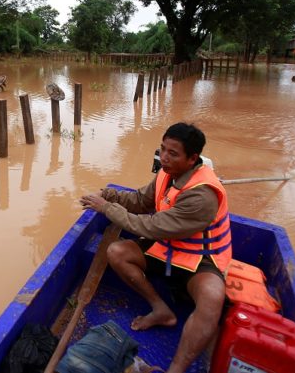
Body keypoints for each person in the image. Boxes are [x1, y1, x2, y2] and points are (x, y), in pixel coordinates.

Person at [79, 122, 231, 373]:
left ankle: (176, 368)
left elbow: (149, 226)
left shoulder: (202, 196)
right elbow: (141, 201)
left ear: (193, 158)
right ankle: (161, 308)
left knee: (213, 298)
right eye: (162, 150)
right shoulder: (166, 173)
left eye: (173, 153)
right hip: (167, 247)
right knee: (116, 252)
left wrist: (106, 208)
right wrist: (111, 196)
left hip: (199, 259)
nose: (164, 157)